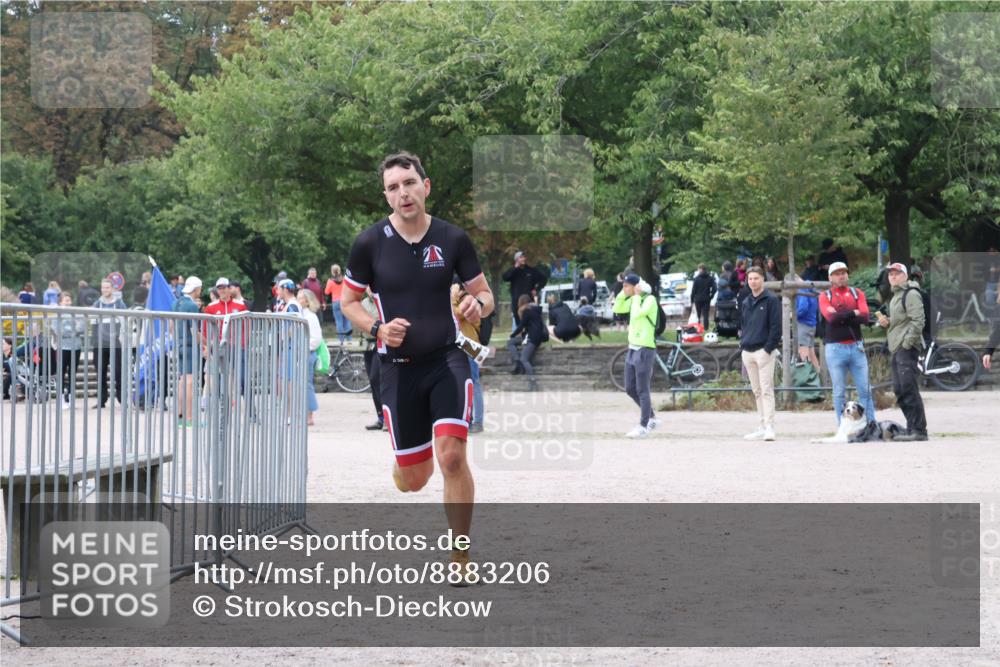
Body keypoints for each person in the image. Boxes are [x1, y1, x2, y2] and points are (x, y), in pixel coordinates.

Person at [340, 151, 494, 582]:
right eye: (393, 187)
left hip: (447, 360)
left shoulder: (453, 238)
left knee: (452, 458)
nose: (402, 193)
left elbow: (485, 295)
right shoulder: (369, 243)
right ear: (386, 196)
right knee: (415, 479)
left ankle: (460, 558)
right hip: (397, 368)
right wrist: (377, 328)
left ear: (425, 186)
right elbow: (348, 301)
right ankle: (404, 464)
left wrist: (476, 304)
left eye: (409, 183)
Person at [818, 262, 876, 426]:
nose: (841, 276)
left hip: (856, 347)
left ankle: (870, 425)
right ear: (830, 278)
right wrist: (853, 312)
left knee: (865, 390)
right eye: (837, 274)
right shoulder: (825, 296)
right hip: (835, 348)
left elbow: (865, 316)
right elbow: (831, 319)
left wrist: (842, 315)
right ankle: (843, 427)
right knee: (839, 392)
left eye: (843, 272)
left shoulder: (857, 293)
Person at [876, 263, 928, 441]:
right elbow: (902, 320)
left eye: (897, 273)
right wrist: (888, 321)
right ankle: (911, 427)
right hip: (897, 346)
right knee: (900, 389)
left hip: (906, 347)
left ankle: (919, 430)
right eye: (890, 274)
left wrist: (907, 343)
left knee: (908, 388)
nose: (893, 276)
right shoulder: (896, 295)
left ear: (905, 276)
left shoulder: (911, 293)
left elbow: (918, 320)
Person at [612, 274, 660, 438]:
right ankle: (651, 417)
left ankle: (643, 426)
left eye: (626, 286)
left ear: (636, 287)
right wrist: (624, 293)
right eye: (623, 286)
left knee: (642, 389)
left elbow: (639, 313)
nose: (624, 288)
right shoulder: (633, 299)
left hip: (645, 348)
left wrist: (638, 295)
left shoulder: (649, 300)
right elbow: (617, 308)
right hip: (632, 348)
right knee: (630, 388)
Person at [738, 266, 781, 440]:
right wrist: (742, 346)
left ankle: (770, 427)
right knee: (756, 391)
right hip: (747, 351)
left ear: (763, 279)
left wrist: (768, 349)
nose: (753, 281)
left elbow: (776, 328)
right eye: (750, 279)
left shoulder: (771, 300)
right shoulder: (745, 302)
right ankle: (762, 425)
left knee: (766, 390)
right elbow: (743, 325)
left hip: (764, 351)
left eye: (756, 278)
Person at [451, 282, 485, 433]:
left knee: (474, 383)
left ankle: (478, 422)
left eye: (453, 288)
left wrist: (453, 298)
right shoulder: (463, 299)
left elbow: (456, 314)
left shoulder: (468, 300)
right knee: (465, 384)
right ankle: (468, 420)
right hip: (463, 345)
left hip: (469, 345)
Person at [172, 276, 202, 425]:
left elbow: (171, 327)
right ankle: (189, 418)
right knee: (190, 381)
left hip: (179, 344)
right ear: (196, 289)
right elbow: (194, 330)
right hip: (190, 345)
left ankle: (180, 414)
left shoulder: (176, 303)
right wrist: (205, 343)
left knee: (182, 380)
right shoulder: (192, 306)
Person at [92, 279, 126, 409]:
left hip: (115, 343)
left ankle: (122, 399)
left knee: (118, 372)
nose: (105, 290)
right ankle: (102, 399)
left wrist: (121, 338)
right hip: (100, 344)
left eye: (107, 287)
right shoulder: (97, 304)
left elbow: (124, 323)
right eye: (103, 287)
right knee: (100, 372)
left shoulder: (120, 304)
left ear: (112, 289)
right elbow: (94, 324)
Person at [50, 292, 86, 405]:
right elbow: (58, 331)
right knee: (61, 372)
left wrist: (69, 331)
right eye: (66, 300)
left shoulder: (77, 313)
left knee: (72, 373)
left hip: (76, 347)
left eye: (69, 300)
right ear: (60, 302)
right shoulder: (56, 315)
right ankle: (61, 397)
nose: (68, 303)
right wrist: (73, 331)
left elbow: (82, 328)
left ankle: (70, 397)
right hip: (62, 347)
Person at [507, 294, 547, 390]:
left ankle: (533, 382)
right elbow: (529, 326)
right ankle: (518, 362)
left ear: (521, 302)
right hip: (533, 336)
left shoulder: (527, 311)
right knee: (511, 343)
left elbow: (521, 326)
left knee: (524, 359)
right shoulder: (535, 310)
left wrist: (512, 335)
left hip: (532, 338)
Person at [360, 288, 386, 431]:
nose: (370, 289)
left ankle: (388, 418)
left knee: (377, 377)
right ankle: (380, 417)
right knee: (372, 379)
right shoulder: (363, 302)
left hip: (380, 342)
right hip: (367, 343)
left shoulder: (383, 300)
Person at [502, 251, 547, 330]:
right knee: (518, 322)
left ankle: (530, 334)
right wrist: (515, 267)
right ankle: (519, 335)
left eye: (524, 257)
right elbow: (505, 277)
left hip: (529, 300)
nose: (523, 259)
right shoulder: (513, 271)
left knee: (530, 320)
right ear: (516, 259)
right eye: (521, 257)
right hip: (517, 301)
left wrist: (536, 289)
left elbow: (543, 279)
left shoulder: (531, 271)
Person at [297, 289, 323, 426]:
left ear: (307, 301)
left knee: (307, 385)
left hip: (307, 353)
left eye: (300, 298)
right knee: (302, 385)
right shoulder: (300, 315)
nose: (298, 300)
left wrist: (302, 347)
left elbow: (316, 339)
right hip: (301, 353)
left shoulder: (311, 317)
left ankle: (309, 415)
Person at [795, 279, 821, 374]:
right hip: (812, 323)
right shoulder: (811, 289)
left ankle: (807, 378)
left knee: (804, 353)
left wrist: (793, 314)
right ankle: (818, 376)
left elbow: (803, 308)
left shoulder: (801, 290)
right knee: (811, 352)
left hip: (803, 324)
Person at [325, 265, 352, 343]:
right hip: (344, 300)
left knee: (339, 321)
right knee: (347, 321)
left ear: (332, 272)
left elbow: (326, 292)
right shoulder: (345, 279)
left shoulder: (330, 281)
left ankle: (341, 340)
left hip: (336, 302)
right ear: (339, 270)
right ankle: (349, 339)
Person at [690, 263, 717, 331]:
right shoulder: (710, 278)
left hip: (698, 299)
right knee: (706, 315)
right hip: (706, 298)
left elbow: (693, 290)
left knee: (698, 315)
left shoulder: (696, 279)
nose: (698, 270)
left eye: (698, 269)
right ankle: (706, 328)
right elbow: (714, 288)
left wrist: (692, 300)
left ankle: (698, 328)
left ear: (701, 269)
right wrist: (711, 296)